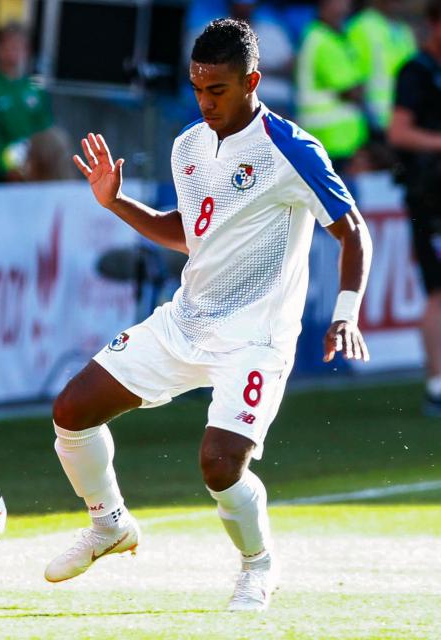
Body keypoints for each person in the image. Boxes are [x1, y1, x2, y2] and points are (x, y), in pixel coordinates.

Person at [46, 18, 372, 612]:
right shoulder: (188, 145)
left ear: (252, 80)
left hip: (257, 336)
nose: (204, 102)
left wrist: (346, 313)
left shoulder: (291, 148)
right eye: (197, 88)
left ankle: (258, 566)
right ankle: (109, 525)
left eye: (217, 90)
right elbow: (191, 233)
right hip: (186, 320)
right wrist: (115, 200)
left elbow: (352, 232)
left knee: (219, 465)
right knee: (71, 410)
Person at [388, 0, 441, 415]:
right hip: (431, 196)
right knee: (438, 291)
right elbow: (399, 132)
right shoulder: (415, 71)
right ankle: (436, 387)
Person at [295, 0, 368, 173]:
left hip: (340, 138)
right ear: (324, 5)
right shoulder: (321, 39)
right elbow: (350, 90)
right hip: (329, 138)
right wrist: (361, 89)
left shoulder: (335, 37)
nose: (345, 6)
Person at [0, 22, 53, 182]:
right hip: (6, 165)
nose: (13, 51)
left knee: (58, 141)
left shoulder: (35, 86)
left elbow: (45, 127)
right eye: (8, 45)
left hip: (34, 162)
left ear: (27, 50)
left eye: (18, 46)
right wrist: (3, 169)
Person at [346, 0, 416, 131]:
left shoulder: (403, 30)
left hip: (403, 118)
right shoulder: (361, 26)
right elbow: (354, 81)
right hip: (374, 119)